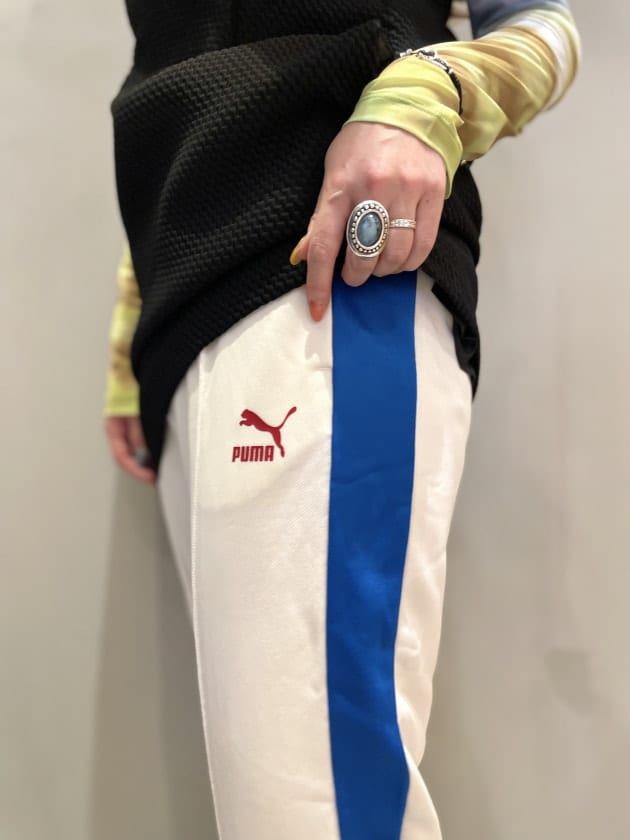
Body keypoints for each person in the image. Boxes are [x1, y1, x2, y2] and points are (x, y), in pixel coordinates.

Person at [104, 2, 580, 837]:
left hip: (334, 277)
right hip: (187, 320)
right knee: (276, 806)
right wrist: (133, 330)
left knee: (319, 813)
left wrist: (427, 97)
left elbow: (547, 24)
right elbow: (184, 68)